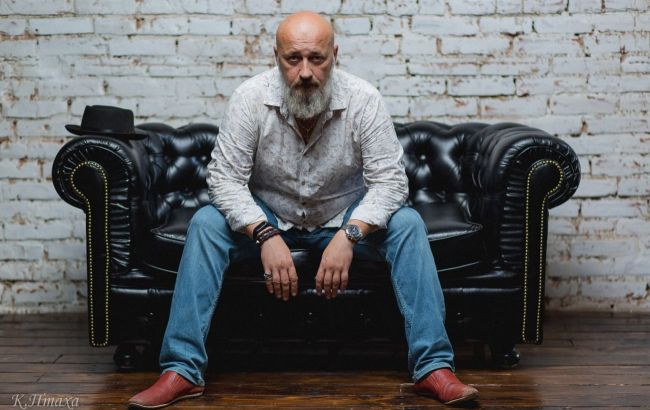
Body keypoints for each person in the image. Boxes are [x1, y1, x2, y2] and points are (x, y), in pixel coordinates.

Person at [128, 11, 479, 408]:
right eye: (293, 59)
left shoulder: (364, 99)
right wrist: (264, 234)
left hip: (343, 215)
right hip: (269, 214)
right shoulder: (249, 98)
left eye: (317, 58)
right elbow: (224, 179)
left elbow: (391, 183)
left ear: (335, 55)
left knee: (408, 223)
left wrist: (350, 235)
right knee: (206, 223)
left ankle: (434, 368)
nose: (306, 72)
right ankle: (181, 370)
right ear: (276, 56)